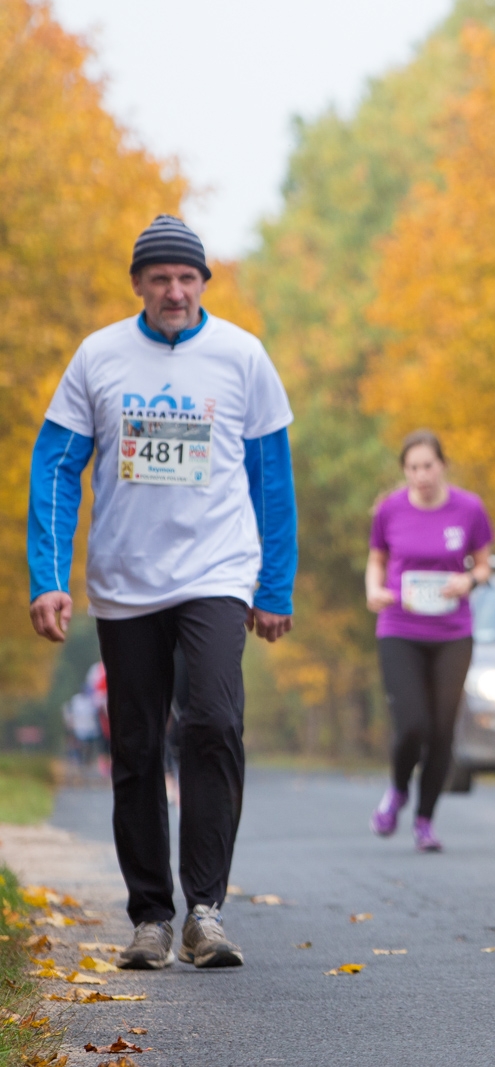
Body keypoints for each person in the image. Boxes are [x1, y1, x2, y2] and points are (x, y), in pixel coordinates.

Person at [27, 214, 299, 971]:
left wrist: (273, 582)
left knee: (213, 719)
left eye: (187, 278)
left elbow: (272, 481)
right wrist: (47, 575)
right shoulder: (99, 357)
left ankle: (204, 910)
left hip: (215, 572)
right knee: (138, 746)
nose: (174, 291)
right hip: (126, 581)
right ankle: (150, 915)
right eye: (160, 279)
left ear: (204, 283)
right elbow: (54, 466)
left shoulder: (242, 357)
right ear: (139, 285)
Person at [365, 430, 493, 852]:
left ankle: (424, 820)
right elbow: (377, 560)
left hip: (453, 632)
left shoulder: (469, 508)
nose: (421, 475)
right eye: (413, 467)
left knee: (441, 731)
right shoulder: (390, 509)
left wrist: (468, 579)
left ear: (443, 465)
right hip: (400, 628)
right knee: (413, 723)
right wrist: (374, 590)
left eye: (428, 466)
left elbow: (485, 564)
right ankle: (398, 790)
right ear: (405, 470)